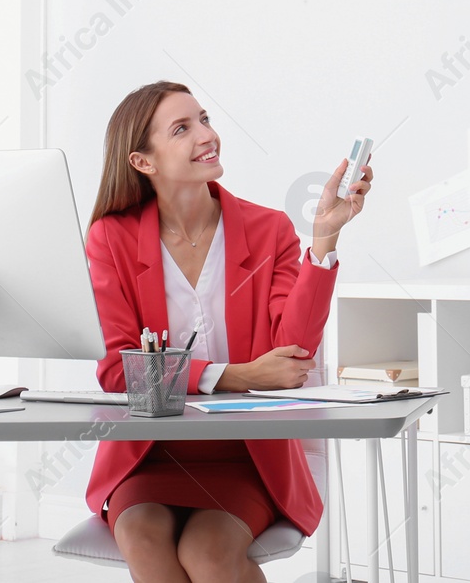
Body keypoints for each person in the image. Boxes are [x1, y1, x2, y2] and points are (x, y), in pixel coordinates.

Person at [83, 80, 370, 583]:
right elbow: (118, 370)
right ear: (142, 162)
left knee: (209, 556)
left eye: (205, 119)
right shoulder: (111, 237)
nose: (206, 135)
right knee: (145, 544)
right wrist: (233, 375)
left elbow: (293, 353)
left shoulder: (269, 229)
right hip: (150, 453)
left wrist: (324, 237)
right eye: (182, 128)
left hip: (245, 452)